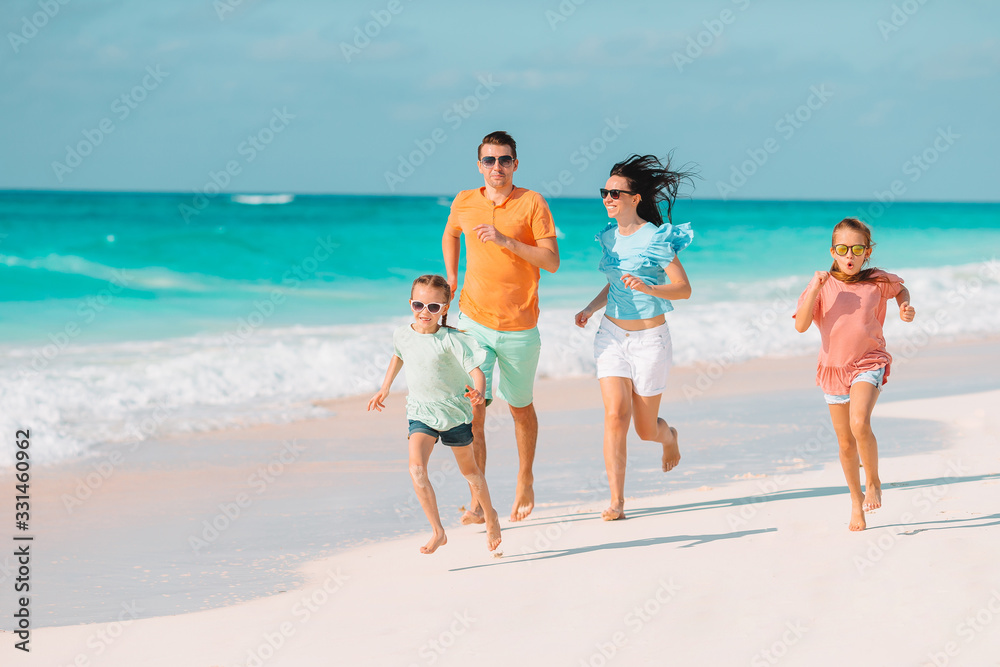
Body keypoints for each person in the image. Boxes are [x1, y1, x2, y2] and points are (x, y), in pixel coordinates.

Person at [442, 130, 560, 523]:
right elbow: (450, 233)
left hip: (520, 326)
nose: (497, 167)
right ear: (479, 165)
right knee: (473, 411)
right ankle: (479, 500)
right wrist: (452, 277)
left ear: (515, 164)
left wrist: (506, 241)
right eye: (489, 160)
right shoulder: (464, 200)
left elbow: (551, 260)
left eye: (504, 159)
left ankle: (525, 477)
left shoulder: (531, 202)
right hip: (473, 321)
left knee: (520, 409)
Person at [574, 154, 695, 521]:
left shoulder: (656, 238)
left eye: (615, 193)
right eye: (605, 192)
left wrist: (649, 287)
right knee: (615, 416)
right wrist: (591, 308)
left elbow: (684, 288)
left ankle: (669, 437)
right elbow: (614, 284)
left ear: (635, 197)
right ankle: (617, 501)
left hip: (649, 341)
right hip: (611, 335)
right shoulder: (608, 237)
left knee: (645, 430)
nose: (608, 199)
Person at [794, 217, 915, 532]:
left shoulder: (877, 280)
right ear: (832, 251)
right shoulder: (821, 284)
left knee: (859, 422)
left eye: (857, 248)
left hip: (869, 361)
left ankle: (873, 481)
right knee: (845, 441)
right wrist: (814, 290)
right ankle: (854, 499)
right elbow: (801, 324)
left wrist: (905, 307)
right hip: (834, 368)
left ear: (867, 252)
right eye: (843, 248)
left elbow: (901, 290)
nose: (850, 255)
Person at [367, 274, 502, 554]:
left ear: (445, 308)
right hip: (420, 411)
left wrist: (478, 391)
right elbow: (398, 354)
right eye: (419, 305)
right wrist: (385, 388)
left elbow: (476, 370)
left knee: (471, 473)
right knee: (416, 470)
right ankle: (438, 531)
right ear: (411, 304)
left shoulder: (451, 340)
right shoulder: (402, 334)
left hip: (454, 413)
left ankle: (491, 516)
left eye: (433, 307)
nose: (425, 313)